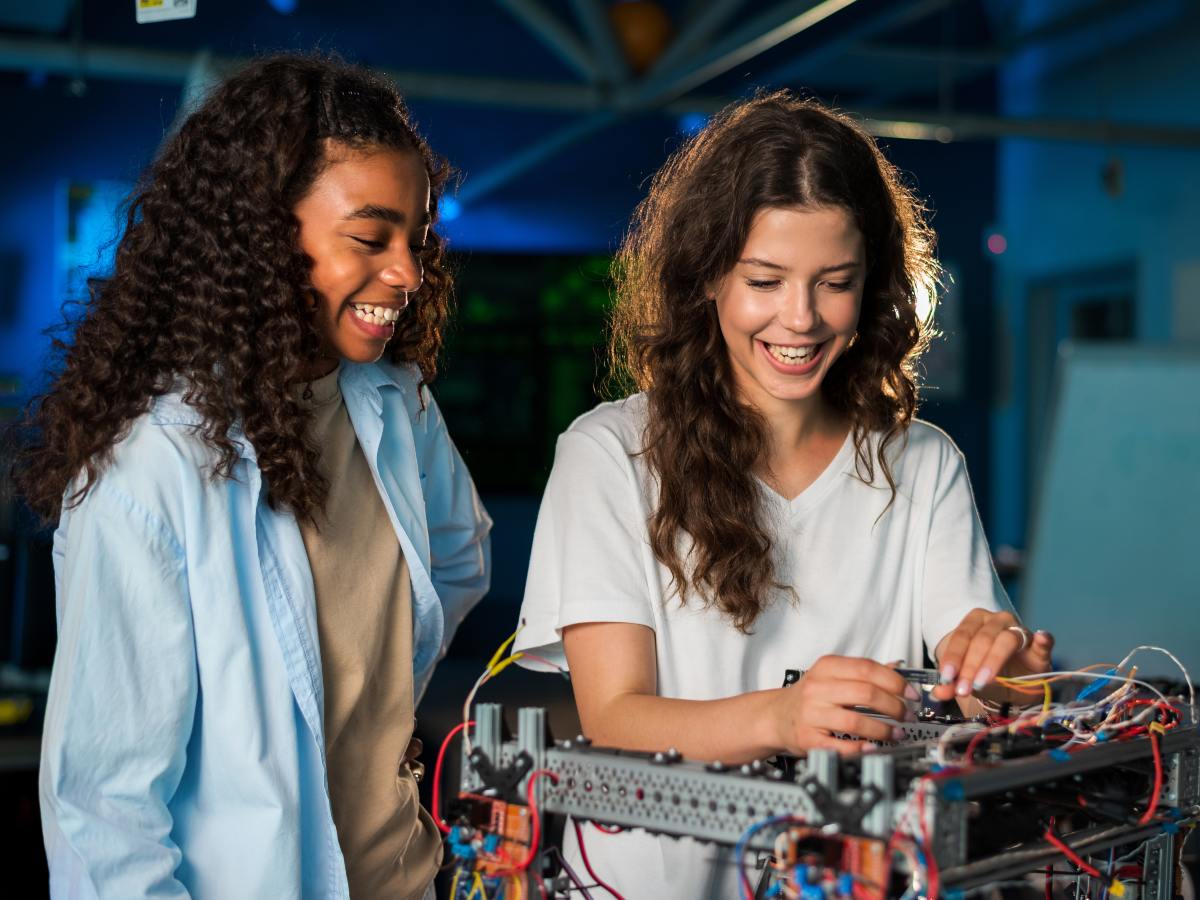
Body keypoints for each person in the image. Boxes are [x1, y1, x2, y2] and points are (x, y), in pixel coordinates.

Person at [514, 91, 1053, 898]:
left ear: (871, 287)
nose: (799, 320)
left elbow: (977, 684)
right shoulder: (611, 455)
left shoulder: (923, 463)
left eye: (834, 282)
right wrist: (781, 718)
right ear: (706, 280)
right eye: (764, 280)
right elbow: (614, 713)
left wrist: (1001, 666)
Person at [17, 55, 491, 899]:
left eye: (415, 242)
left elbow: (456, 563)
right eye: (369, 237)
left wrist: (368, 717)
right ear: (265, 234)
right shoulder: (152, 465)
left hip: (414, 881)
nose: (409, 276)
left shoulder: (398, 406)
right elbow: (105, 814)